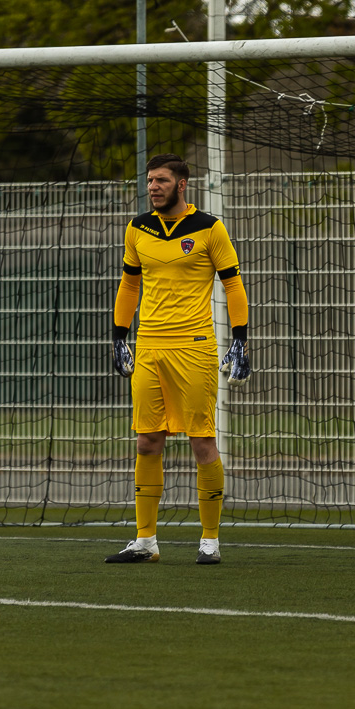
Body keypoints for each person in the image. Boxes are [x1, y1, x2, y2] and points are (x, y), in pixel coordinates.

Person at [107, 154, 251, 565]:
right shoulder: (137, 228)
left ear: (182, 184)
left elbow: (234, 286)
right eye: (150, 180)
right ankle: (146, 541)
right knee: (147, 439)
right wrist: (119, 337)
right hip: (149, 345)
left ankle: (209, 540)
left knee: (202, 440)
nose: (153, 186)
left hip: (194, 346)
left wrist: (239, 340)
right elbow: (129, 285)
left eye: (162, 180)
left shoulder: (210, 228)